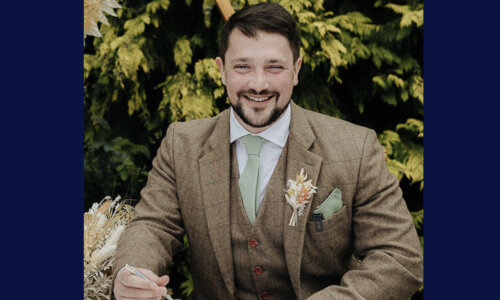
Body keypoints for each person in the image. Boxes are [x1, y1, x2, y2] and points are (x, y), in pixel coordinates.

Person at [111, 3, 423, 300]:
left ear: (296, 69)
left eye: (274, 68)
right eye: (242, 67)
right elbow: (153, 225)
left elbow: (399, 258)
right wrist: (131, 270)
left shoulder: (356, 148)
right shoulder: (182, 144)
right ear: (221, 70)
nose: (258, 84)